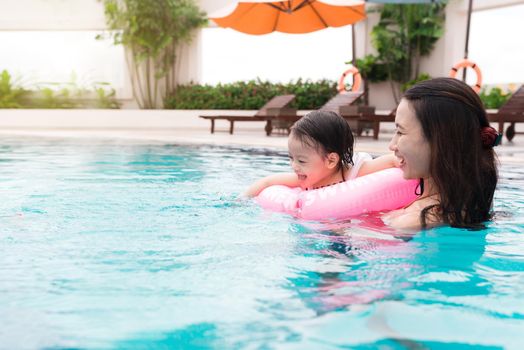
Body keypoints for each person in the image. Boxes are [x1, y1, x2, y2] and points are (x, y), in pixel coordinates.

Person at [384, 77, 500, 229]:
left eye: (400, 132)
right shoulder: (477, 201)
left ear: (440, 142)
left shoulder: (411, 222)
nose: (391, 145)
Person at [244, 110, 397, 197]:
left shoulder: (354, 173)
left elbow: (392, 161)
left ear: (331, 160)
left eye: (302, 161)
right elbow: (267, 182)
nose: (294, 166)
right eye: (291, 158)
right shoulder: (306, 179)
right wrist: (241, 201)